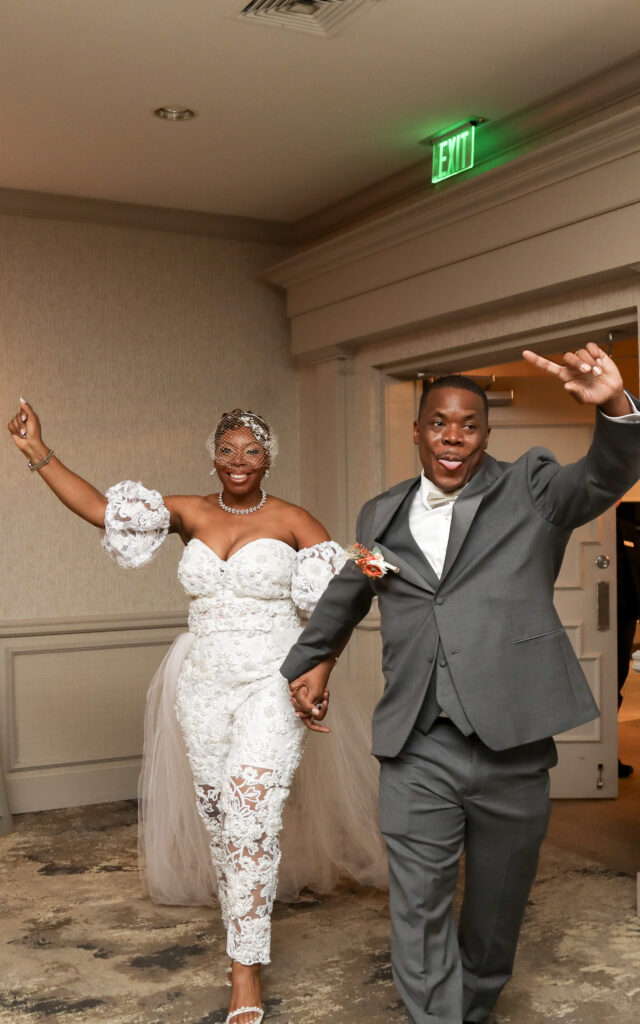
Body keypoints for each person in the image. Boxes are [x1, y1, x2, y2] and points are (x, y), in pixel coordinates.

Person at [284, 343, 640, 1024]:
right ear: (418, 430)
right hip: (417, 742)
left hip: (509, 742)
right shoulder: (379, 515)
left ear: (485, 433)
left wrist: (615, 408)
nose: (453, 437)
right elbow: (350, 589)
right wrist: (313, 658)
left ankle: (472, 1007)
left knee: (496, 909)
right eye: (439, 423)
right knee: (417, 906)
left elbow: (604, 475)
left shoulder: (531, 487)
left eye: (469, 424)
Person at [7, 403, 385, 1024]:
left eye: (252, 451)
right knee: (220, 820)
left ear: (269, 458)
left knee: (252, 811)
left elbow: (343, 600)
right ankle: (241, 926)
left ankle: (246, 973)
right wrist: (36, 452)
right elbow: (102, 510)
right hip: (203, 683)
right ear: (214, 456)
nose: (239, 462)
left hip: (273, 678)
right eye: (228, 450)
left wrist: (320, 675)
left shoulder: (295, 520)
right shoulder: (187, 511)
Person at [616, 501, 640, 776]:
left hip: (623, 619)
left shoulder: (628, 528)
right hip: (597, 618)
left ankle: (609, 752)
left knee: (614, 685)